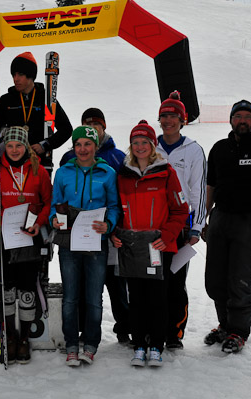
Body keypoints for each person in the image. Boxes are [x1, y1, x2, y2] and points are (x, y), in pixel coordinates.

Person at [112, 120, 188, 368]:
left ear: (153, 145)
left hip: (157, 246)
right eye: (136, 142)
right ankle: (139, 344)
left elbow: (180, 210)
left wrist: (166, 237)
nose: (140, 146)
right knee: (136, 297)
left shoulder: (167, 173)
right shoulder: (123, 175)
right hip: (132, 247)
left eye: (145, 142)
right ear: (131, 146)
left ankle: (156, 344)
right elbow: (116, 211)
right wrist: (115, 233)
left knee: (158, 297)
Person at [203, 100, 251, 353]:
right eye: (238, 116)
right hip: (220, 218)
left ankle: (238, 331)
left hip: (249, 220)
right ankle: (224, 325)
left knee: (240, 279)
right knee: (215, 279)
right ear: (231, 120)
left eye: (248, 116)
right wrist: (205, 218)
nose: (243, 120)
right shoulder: (219, 148)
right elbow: (211, 186)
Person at [0, 126, 52, 364]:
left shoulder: (38, 171)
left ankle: (24, 338)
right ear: (4, 147)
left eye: (18, 145)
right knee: (7, 289)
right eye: (9, 145)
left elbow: (48, 203)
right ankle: (10, 335)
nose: (14, 150)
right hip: (4, 238)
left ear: (26, 147)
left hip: (28, 237)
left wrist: (39, 223)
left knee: (26, 289)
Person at [50, 126, 119, 367]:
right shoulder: (63, 173)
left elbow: (114, 206)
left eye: (87, 144)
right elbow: (54, 205)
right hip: (68, 241)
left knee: (93, 297)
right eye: (78, 144)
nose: (82, 149)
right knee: (70, 297)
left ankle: (90, 344)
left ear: (95, 147)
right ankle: (71, 344)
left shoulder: (107, 173)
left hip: (95, 242)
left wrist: (108, 224)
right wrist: (53, 220)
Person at [60, 108, 130, 344]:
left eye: (97, 126)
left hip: (105, 235)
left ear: (103, 127)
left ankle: (124, 328)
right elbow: (58, 201)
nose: (83, 148)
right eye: (88, 125)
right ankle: (78, 332)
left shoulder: (117, 158)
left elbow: (119, 201)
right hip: (75, 238)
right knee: (78, 287)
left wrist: (112, 227)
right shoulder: (67, 162)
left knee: (114, 284)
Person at [155, 92, 207, 350]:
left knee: (175, 281)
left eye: (173, 116)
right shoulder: (150, 147)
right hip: (152, 225)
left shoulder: (193, 150)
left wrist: (196, 226)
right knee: (153, 280)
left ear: (182, 120)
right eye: (164, 115)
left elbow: (197, 190)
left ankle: (174, 332)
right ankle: (153, 329)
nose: (168, 120)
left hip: (180, 225)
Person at [0, 52, 73, 174]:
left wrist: (45, 145)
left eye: (20, 74)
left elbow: (66, 129)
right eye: (13, 74)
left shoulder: (46, 99)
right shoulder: (6, 100)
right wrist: (4, 139)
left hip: (39, 164)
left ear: (31, 76)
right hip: (11, 164)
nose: (16, 79)